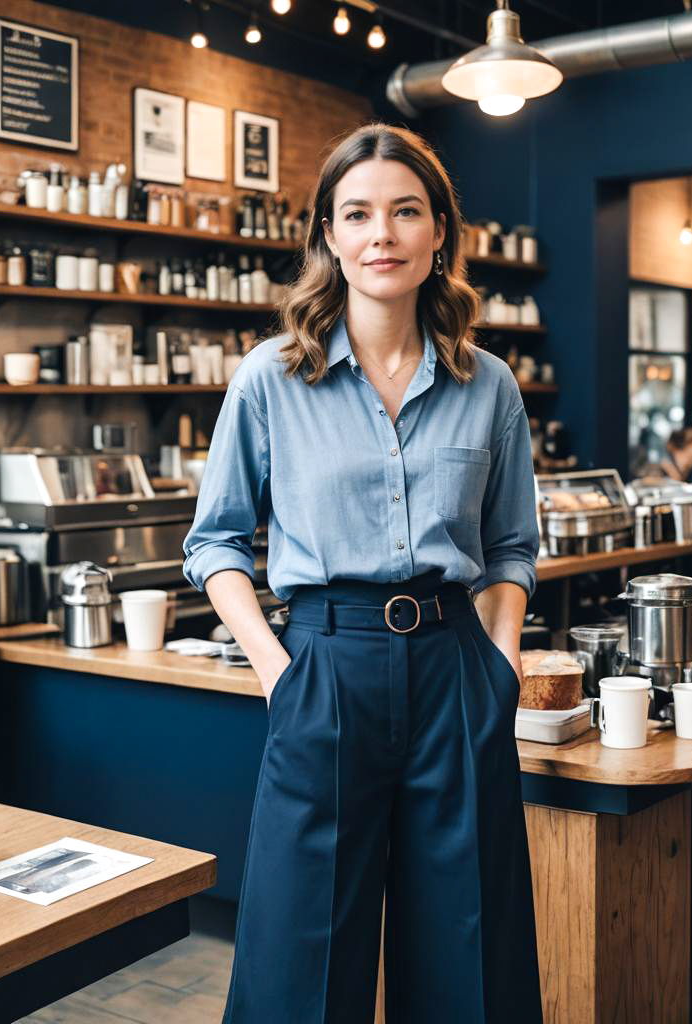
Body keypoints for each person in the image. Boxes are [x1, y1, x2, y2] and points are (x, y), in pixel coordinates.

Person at [183, 124, 543, 1023]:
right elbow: (215, 542)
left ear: (438, 236)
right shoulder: (270, 379)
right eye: (359, 213)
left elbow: (510, 548)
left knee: (472, 947)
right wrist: (278, 670)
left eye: (405, 212)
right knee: (299, 955)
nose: (382, 233)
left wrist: (496, 662)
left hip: (455, 671)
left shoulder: (489, 384)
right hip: (323, 670)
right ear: (331, 238)